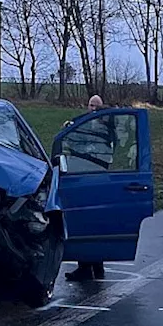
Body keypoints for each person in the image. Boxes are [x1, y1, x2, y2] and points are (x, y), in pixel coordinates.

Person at [64, 95, 106, 282]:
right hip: (81, 176)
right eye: (91, 105)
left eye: (97, 106)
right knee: (85, 223)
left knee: (92, 223)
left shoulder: (107, 127)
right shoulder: (79, 122)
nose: (93, 109)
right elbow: (70, 142)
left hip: (96, 178)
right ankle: (88, 266)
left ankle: (94, 265)